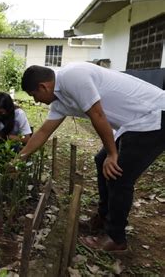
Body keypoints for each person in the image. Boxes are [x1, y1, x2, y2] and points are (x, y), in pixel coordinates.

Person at [18, 62, 165, 252]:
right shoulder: (59, 100)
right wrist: (18, 160)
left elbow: (97, 115)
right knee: (100, 160)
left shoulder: (73, 77)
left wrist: (113, 154)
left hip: (154, 115)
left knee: (118, 174)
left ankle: (116, 238)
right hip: (133, 124)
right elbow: (43, 132)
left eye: (34, 96)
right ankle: (103, 218)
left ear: (43, 87)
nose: (36, 101)